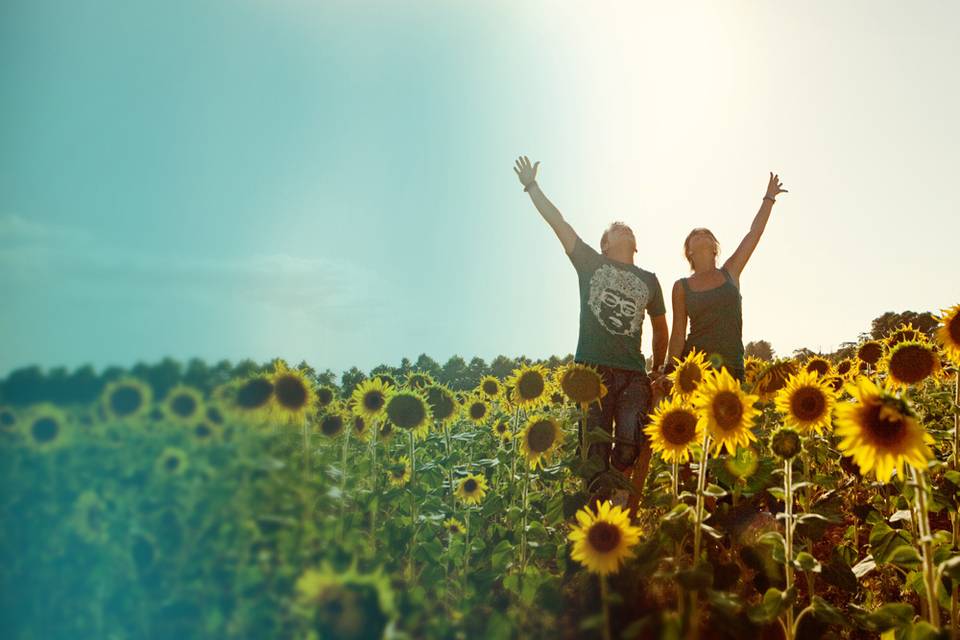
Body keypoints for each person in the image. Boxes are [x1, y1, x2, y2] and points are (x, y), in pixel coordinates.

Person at [513, 155, 669, 502]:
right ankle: (597, 518)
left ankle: (618, 503)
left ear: (635, 243)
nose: (624, 228)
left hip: (633, 375)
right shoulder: (590, 263)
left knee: (630, 445)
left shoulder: (650, 280)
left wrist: (657, 368)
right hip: (592, 374)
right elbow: (559, 223)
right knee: (593, 453)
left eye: (627, 227)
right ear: (605, 244)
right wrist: (532, 186)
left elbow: (661, 328)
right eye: (616, 228)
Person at [661, 172, 788, 383]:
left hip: (732, 366)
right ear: (689, 251)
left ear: (714, 247)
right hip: (695, 371)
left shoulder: (730, 272)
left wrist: (769, 198)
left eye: (707, 234)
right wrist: (669, 370)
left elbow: (753, 234)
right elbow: (677, 334)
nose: (701, 234)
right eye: (695, 234)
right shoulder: (681, 287)